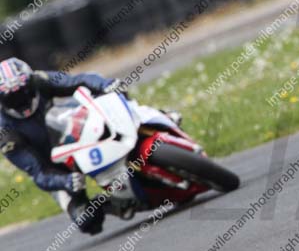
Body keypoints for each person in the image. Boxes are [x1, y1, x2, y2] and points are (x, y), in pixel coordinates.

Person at [0, 58, 177, 235]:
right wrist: (66, 181)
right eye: (11, 98)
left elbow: (79, 80)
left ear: (31, 83)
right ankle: (114, 204)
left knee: (116, 97)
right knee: (87, 221)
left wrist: (106, 85)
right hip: (57, 166)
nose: (21, 100)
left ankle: (159, 118)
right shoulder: (5, 135)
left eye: (23, 91)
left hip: (75, 130)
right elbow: (38, 173)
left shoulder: (41, 80)